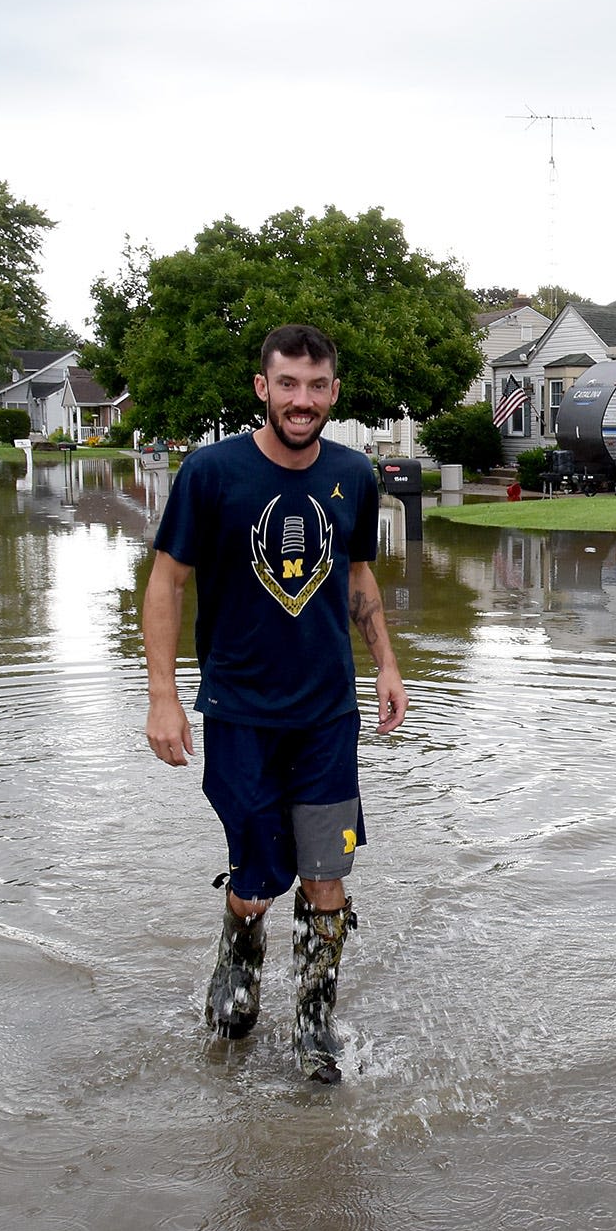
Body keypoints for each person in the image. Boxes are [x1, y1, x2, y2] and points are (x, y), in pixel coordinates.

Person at [141, 324, 407, 1082]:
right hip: (240, 714)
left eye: (316, 386)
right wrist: (164, 696)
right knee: (257, 879)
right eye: (287, 385)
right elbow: (166, 583)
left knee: (330, 869)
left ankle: (317, 1024)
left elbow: (357, 578)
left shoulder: (355, 475)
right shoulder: (211, 472)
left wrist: (386, 664)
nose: (302, 400)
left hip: (329, 716)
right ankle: (238, 963)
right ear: (263, 388)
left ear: (333, 393)